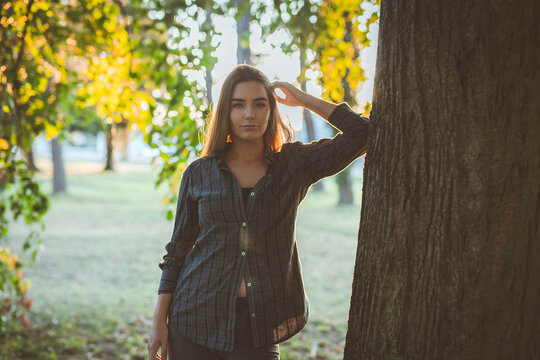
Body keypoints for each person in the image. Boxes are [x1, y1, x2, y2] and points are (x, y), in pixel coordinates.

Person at [147, 64, 369, 360]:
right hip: (193, 321)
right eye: (238, 105)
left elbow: (363, 134)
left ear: (271, 110)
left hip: (259, 327)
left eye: (259, 104)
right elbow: (177, 251)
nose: (249, 114)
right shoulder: (199, 173)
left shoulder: (294, 165)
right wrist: (159, 321)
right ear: (226, 112)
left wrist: (303, 99)